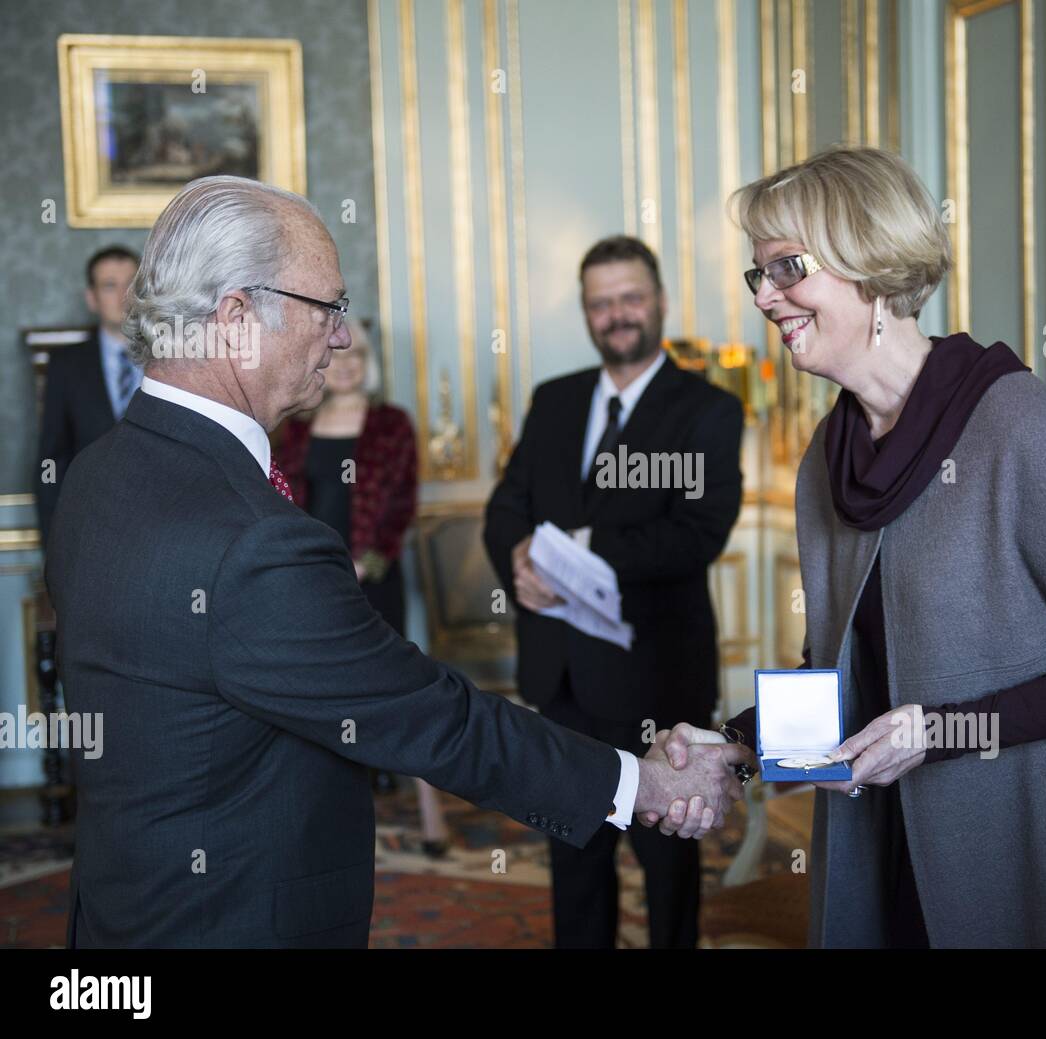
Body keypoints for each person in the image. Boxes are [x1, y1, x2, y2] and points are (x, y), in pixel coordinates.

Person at [44, 175, 750, 948]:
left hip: (122, 914)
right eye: (328, 309)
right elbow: (433, 717)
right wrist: (640, 781)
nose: (343, 338)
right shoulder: (253, 541)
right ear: (237, 317)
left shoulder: (98, 470)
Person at [649, 146, 1046, 948]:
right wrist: (732, 743)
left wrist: (943, 729)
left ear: (869, 263)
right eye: (756, 275)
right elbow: (847, 683)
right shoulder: (827, 458)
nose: (766, 296)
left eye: (787, 268)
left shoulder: (1012, 424)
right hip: (907, 846)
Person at [483, 235, 744, 948]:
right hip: (559, 677)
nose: (617, 315)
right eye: (601, 303)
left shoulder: (708, 410)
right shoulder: (554, 399)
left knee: (668, 862)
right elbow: (507, 504)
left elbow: (698, 533)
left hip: (656, 680)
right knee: (574, 857)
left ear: (658, 300)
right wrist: (519, 560)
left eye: (630, 298)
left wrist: (583, 550)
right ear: (586, 312)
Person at [274, 319, 450, 850]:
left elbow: (402, 506)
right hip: (308, 579)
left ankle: (431, 812)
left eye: (357, 355)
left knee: (394, 689)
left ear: (367, 361)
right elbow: (280, 501)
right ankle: (318, 822)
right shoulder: (297, 425)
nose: (347, 363)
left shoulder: (391, 424)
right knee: (313, 691)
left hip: (372, 579)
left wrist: (362, 564)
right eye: (337, 354)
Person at [35, 245, 141, 541]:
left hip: (165, 529)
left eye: (131, 285)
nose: (123, 296)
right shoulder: (65, 366)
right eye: (110, 286)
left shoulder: (171, 358)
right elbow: (51, 462)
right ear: (91, 298)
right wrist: (54, 547)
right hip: (90, 530)